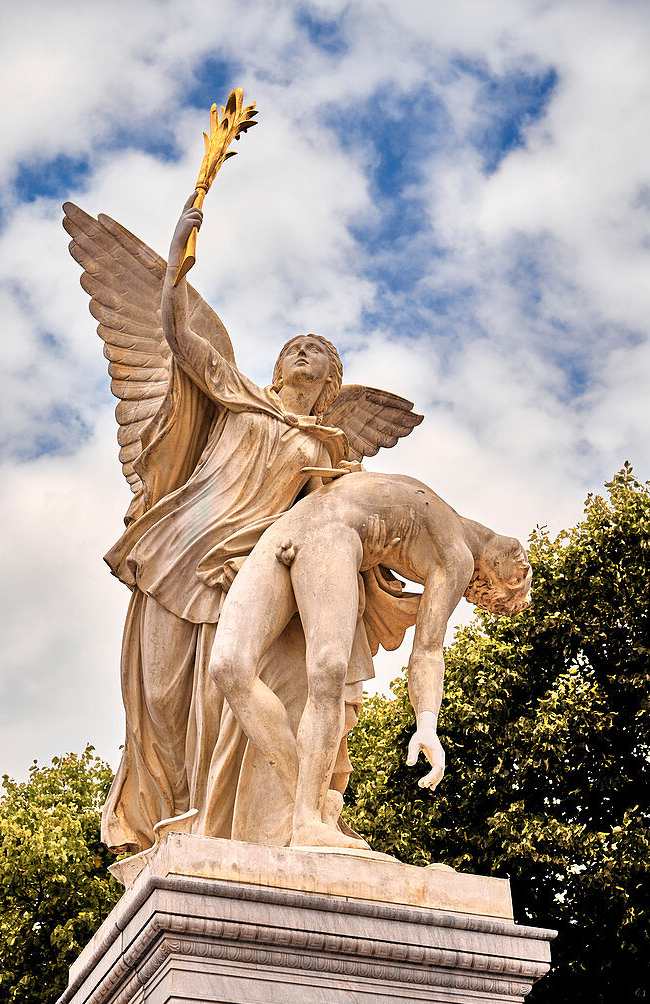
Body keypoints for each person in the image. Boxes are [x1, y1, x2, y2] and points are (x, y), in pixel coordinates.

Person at [62, 193, 424, 852]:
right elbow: (178, 336)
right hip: (180, 552)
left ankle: (262, 818)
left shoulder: (328, 448)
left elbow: (336, 525)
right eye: (295, 344)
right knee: (166, 701)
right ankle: (175, 821)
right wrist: (176, 265)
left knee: (224, 694)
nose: (304, 350)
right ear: (279, 364)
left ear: (330, 379)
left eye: (317, 348)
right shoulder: (233, 391)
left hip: (249, 574)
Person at [209, 470, 532, 850]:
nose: (522, 562)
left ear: (483, 583)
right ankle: (312, 802)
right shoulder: (451, 521)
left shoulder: (457, 559)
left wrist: (427, 723)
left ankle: (308, 820)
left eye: (520, 575)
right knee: (228, 668)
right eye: (523, 571)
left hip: (335, 537)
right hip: (289, 527)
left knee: (327, 671)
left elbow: (428, 650)